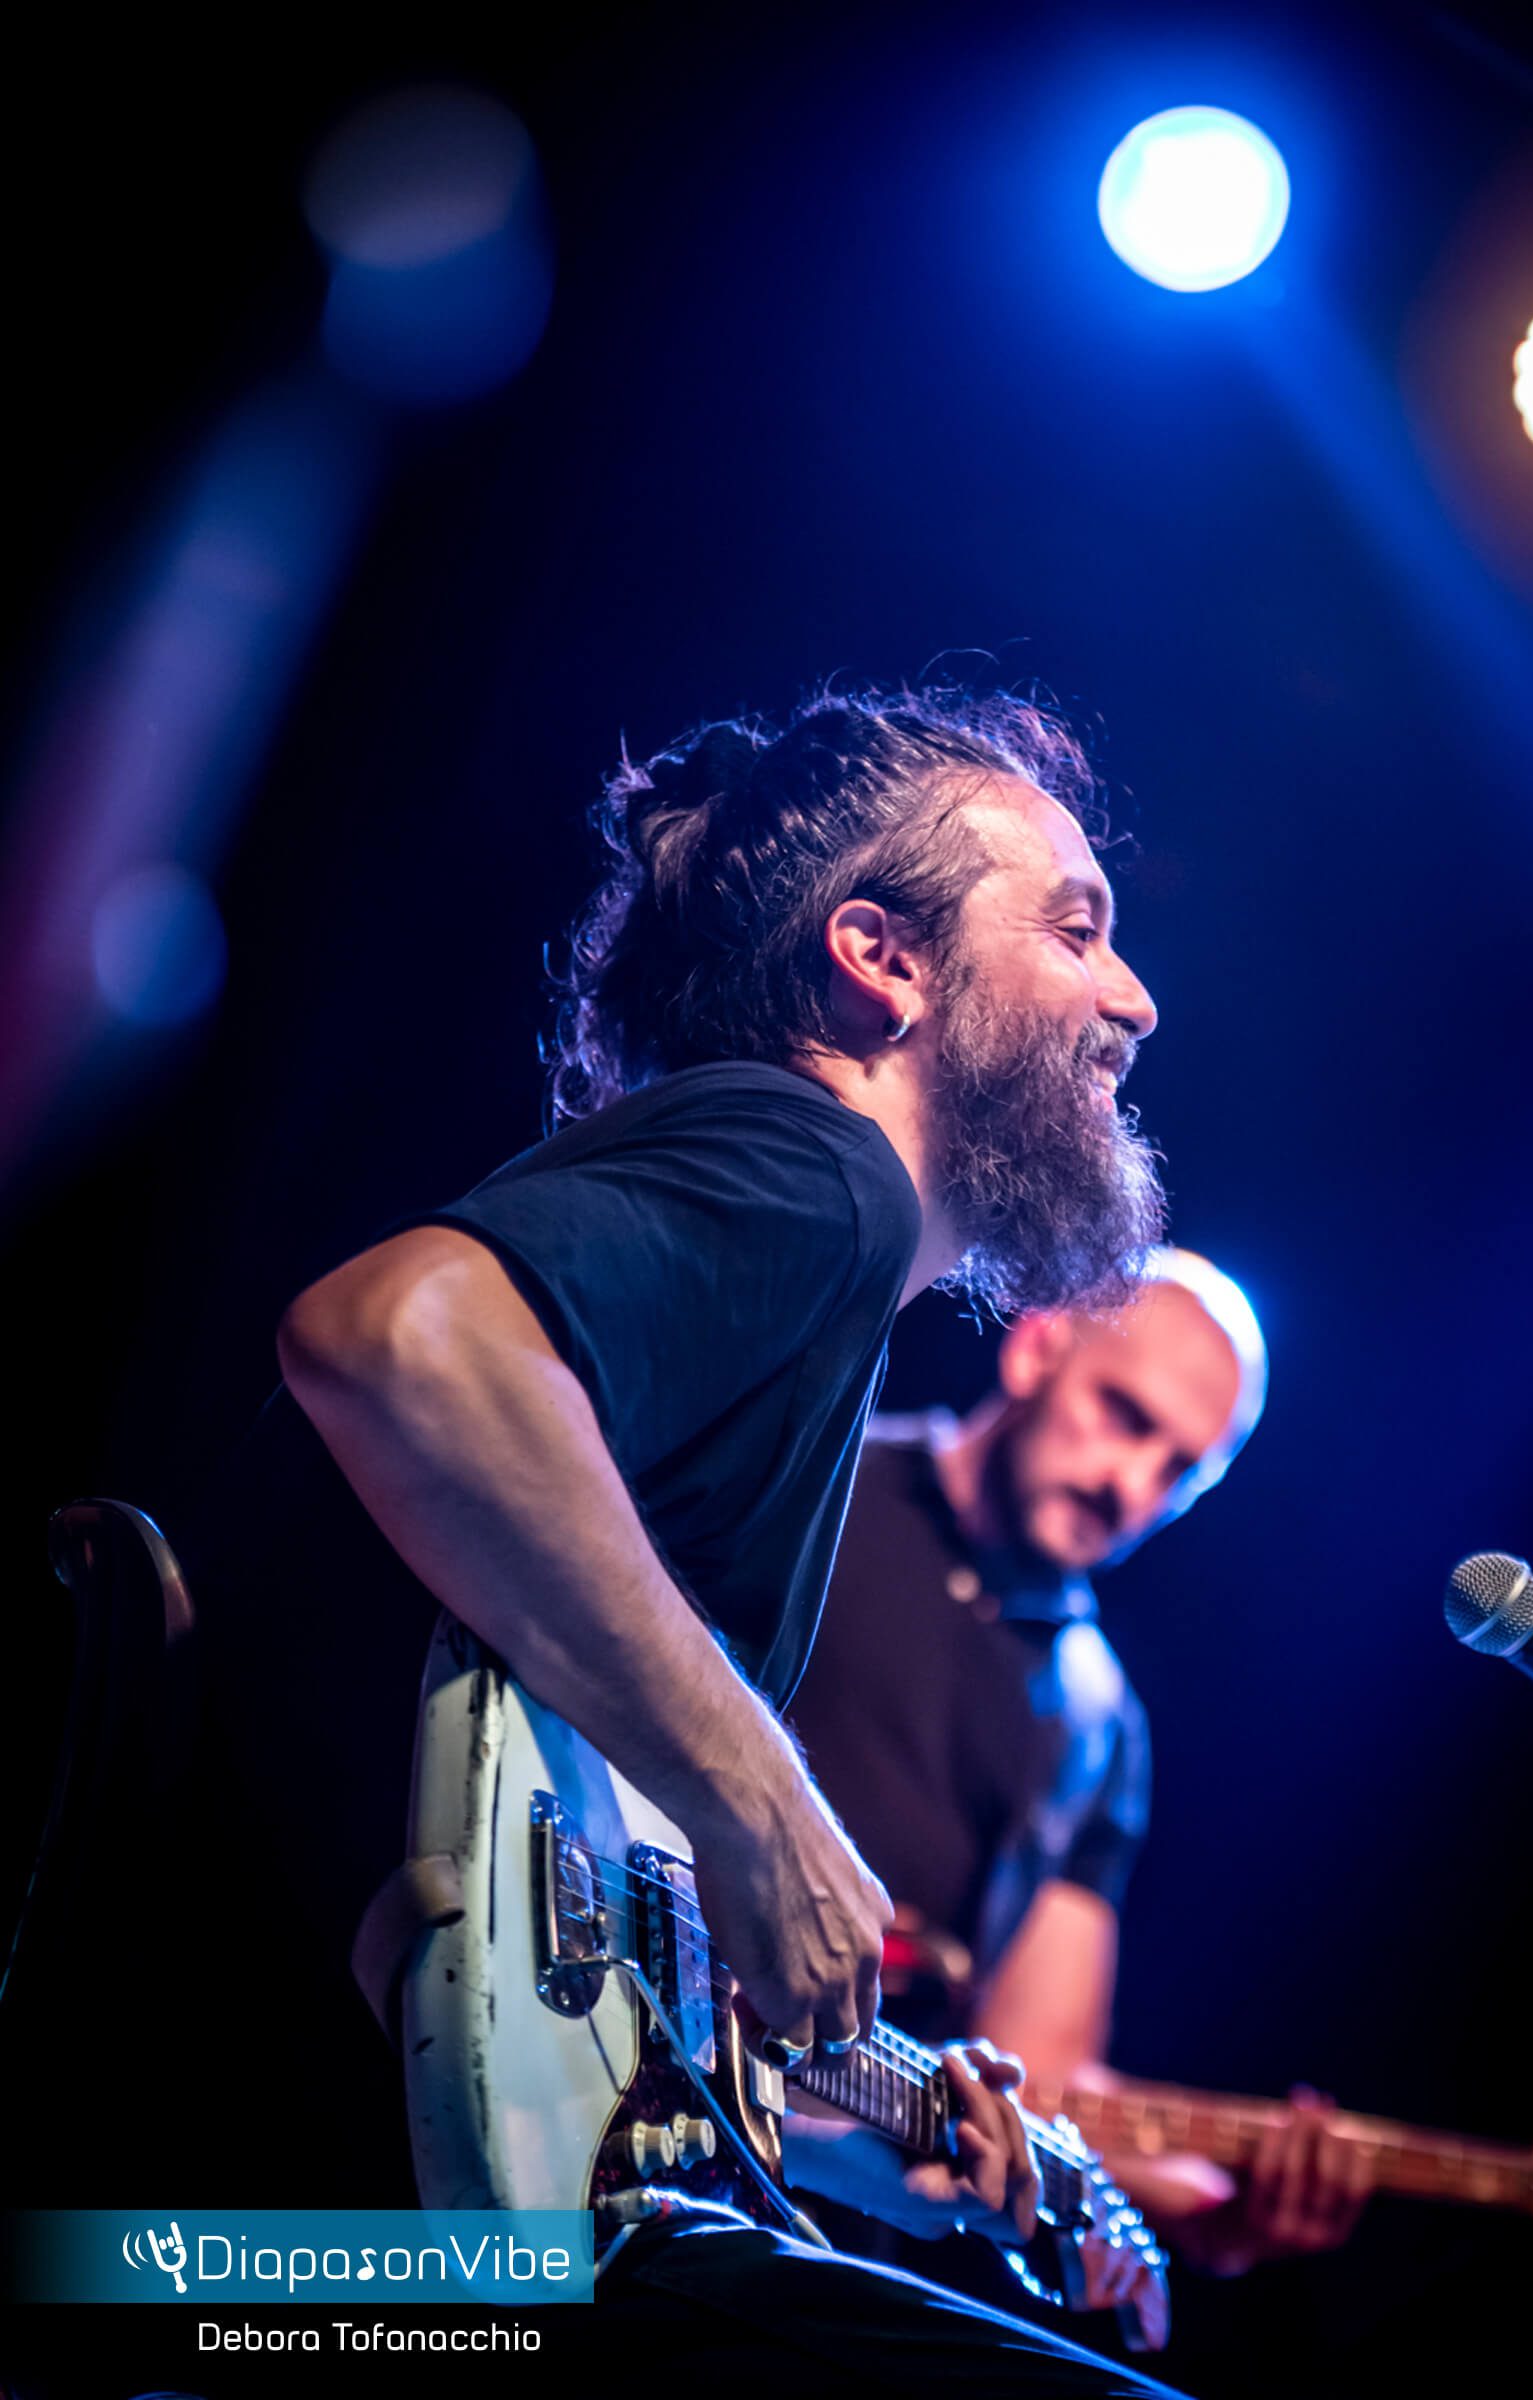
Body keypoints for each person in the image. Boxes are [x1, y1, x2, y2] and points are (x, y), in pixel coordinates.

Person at [149, 685, 1194, 2391]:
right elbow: (392, 1336)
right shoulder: (819, 1175)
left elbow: (563, 1987)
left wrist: (895, 2146)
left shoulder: (787, 1251)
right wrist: (764, 1798)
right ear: (883, 960)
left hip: (224, 2248)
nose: (1131, 999)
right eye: (1075, 931)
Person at [791, 1258, 1372, 2279]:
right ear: (1034, 1346)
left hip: (820, 2239)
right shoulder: (810, 1477)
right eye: (1123, 1415)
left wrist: (1211, 2212)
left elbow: (1038, 2077)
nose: (1129, 1485)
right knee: (486, 2306)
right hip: (606, 2070)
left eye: (1178, 1471)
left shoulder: (1100, 1726)